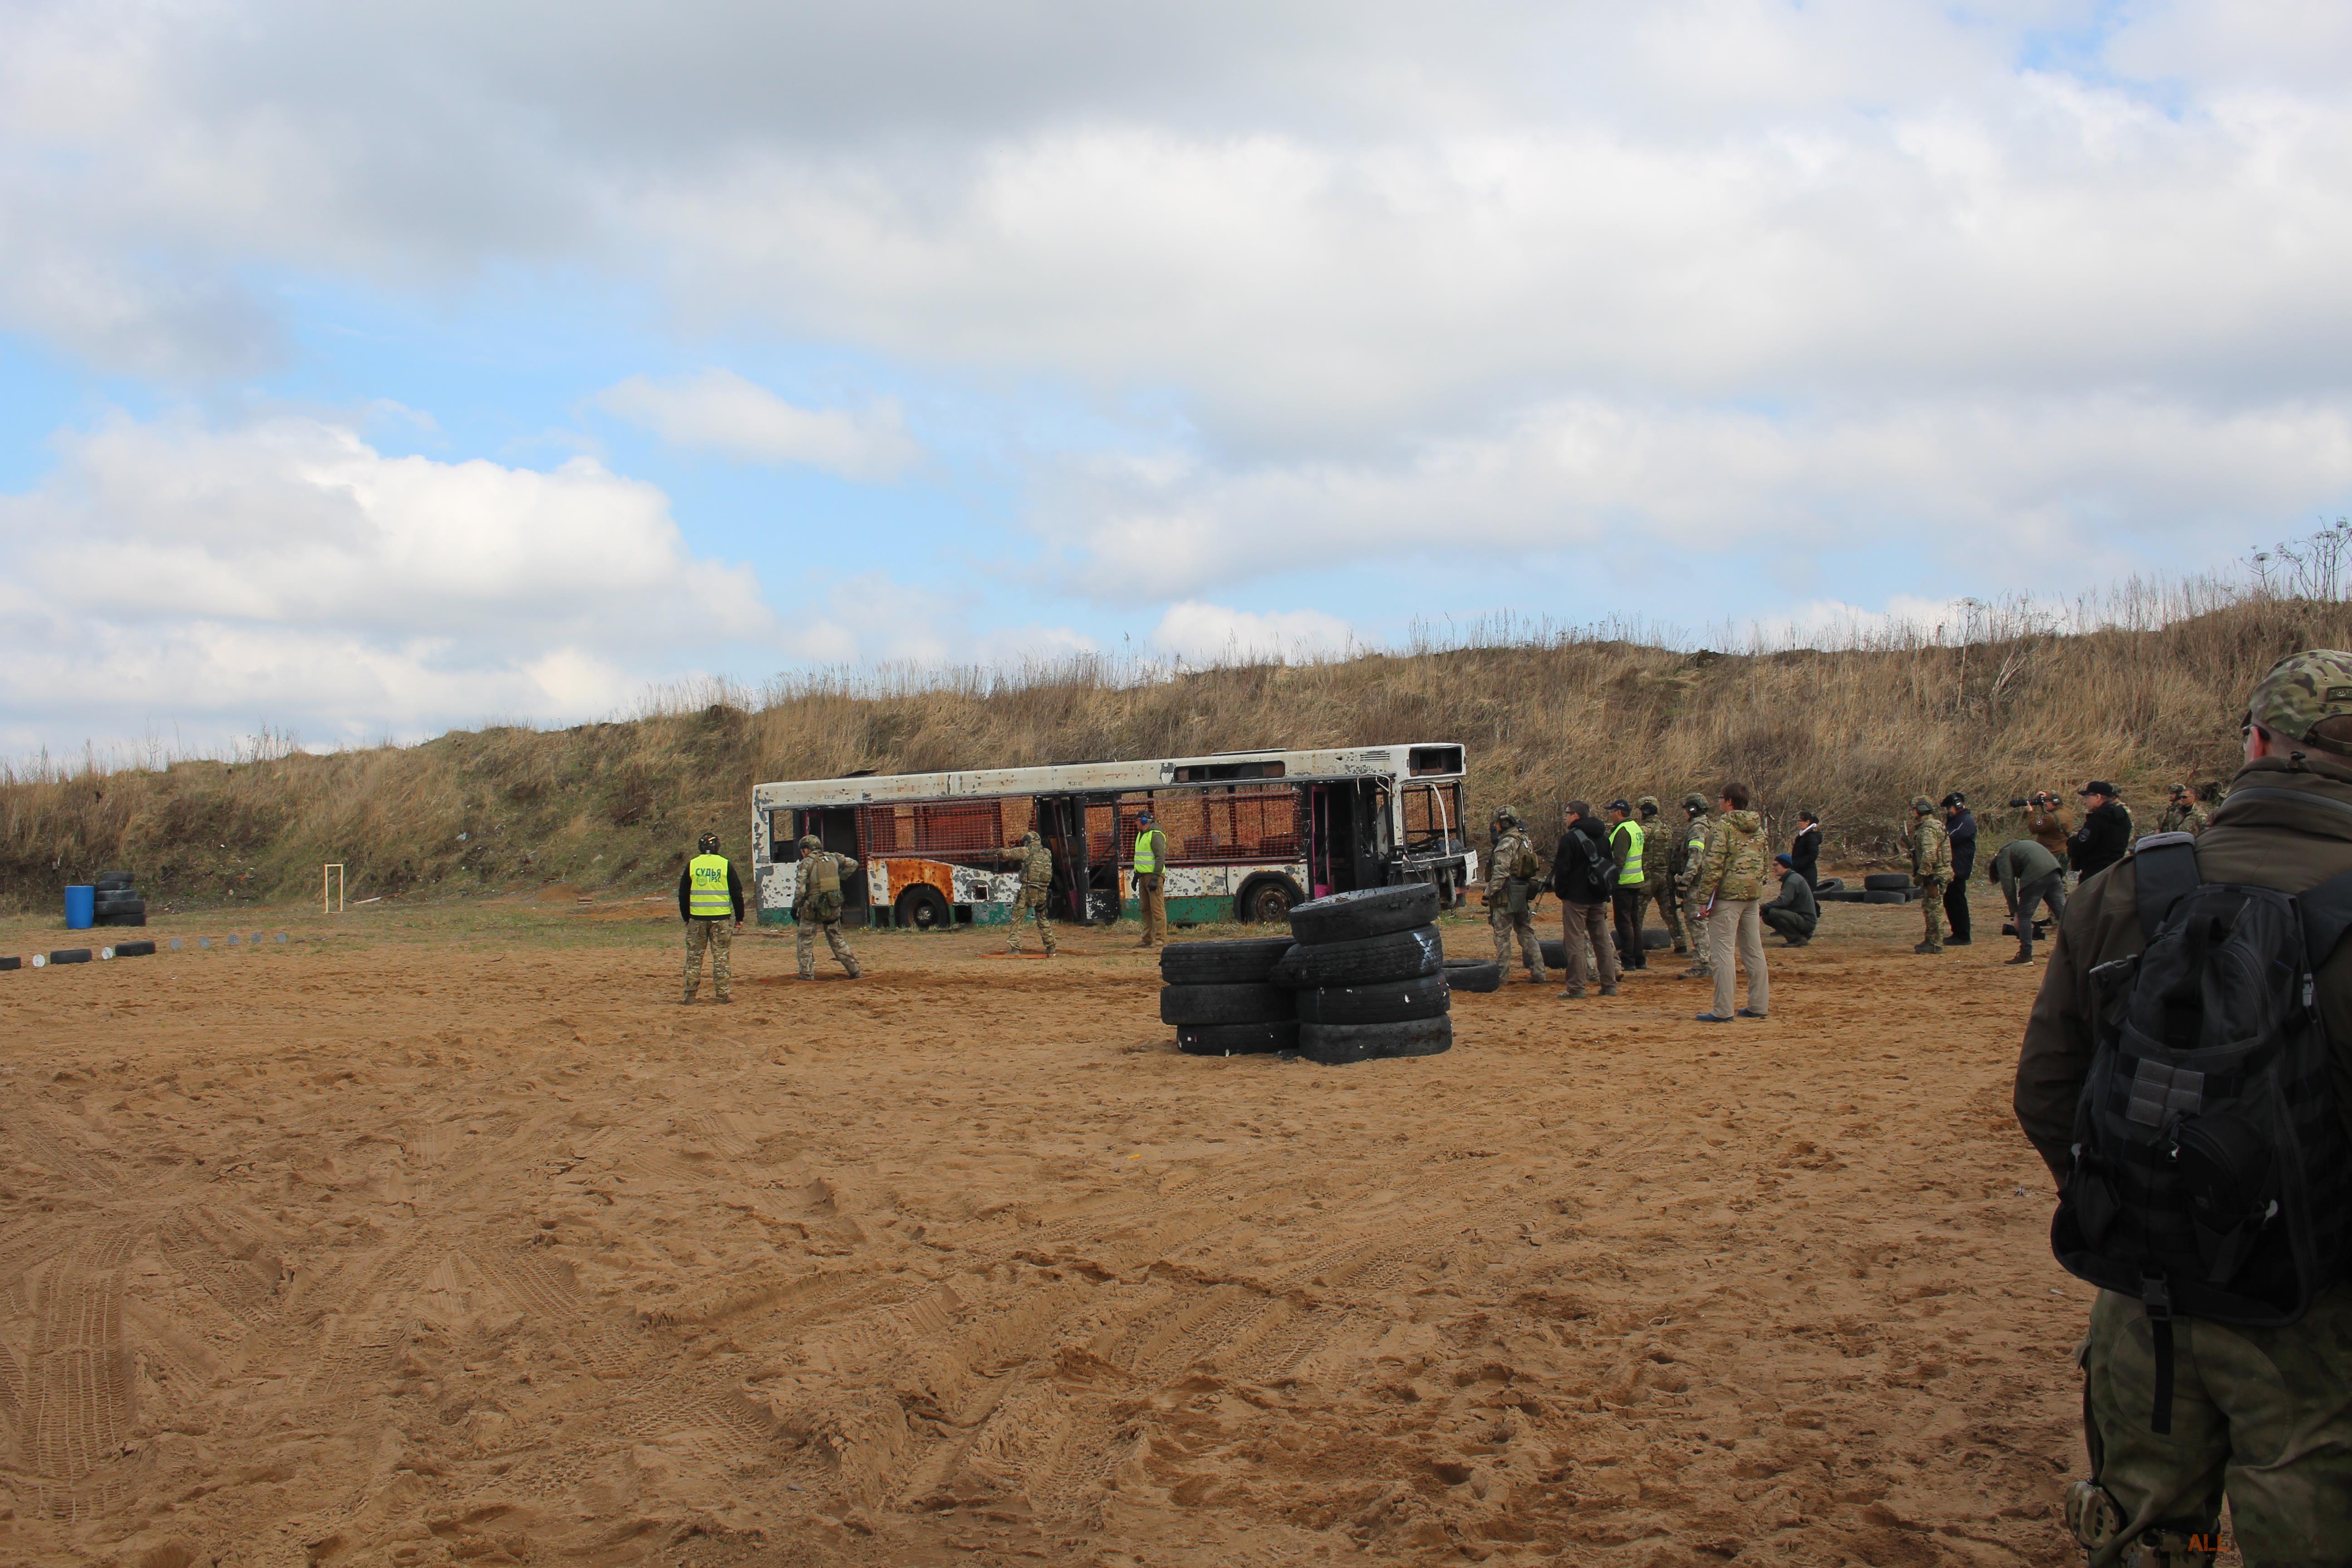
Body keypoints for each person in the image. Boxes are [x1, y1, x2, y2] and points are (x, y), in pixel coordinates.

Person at [2014, 650, 2352, 1563]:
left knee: (2143, 1531)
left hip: (2147, 1291)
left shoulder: (2131, 887)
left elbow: (2048, 1092)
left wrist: (2135, 1209)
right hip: (2318, 1312)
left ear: (2253, 743)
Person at [1695, 783, 1768, 1022]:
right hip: (1752, 895)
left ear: (1728, 801)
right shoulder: (1759, 829)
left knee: (1722, 954)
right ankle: (1758, 1005)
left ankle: (1723, 1009)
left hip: (1728, 897)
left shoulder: (1722, 828)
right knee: (1754, 951)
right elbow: (1764, 865)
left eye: (1720, 798)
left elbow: (1712, 865)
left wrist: (1703, 899)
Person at [1552, 800, 1618, 999]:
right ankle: (1610, 985)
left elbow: (1562, 871)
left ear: (1576, 816)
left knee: (1575, 943)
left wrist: (1561, 893)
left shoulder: (1569, 839)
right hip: (1599, 897)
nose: (1565, 817)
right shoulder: (1604, 838)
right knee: (1602, 941)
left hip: (1576, 899)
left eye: (1567, 813)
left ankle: (1576, 987)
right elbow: (1609, 865)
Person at [678, 830, 747, 1003]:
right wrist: (740, 917)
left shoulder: (693, 864)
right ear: (717, 846)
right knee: (721, 957)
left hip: (697, 918)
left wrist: (686, 917)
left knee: (694, 957)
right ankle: (722, 994)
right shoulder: (725, 864)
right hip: (721, 919)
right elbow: (737, 893)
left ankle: (691, 995)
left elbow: (683, 894)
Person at [1487, 805, 1549, 984]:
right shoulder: (1525, 839)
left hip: (1506, 894)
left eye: (1498, 823)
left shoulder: (1506, 843)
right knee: (1526, 932)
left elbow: (1501, 873)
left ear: (1504, 823)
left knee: (1502, 936)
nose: (1496, 826)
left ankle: (1502, 977)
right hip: (1522, 892)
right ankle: (1539, 973)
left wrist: (1488, 893)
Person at [790, 832, 862, 980]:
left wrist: (795, 907)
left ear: (807, 849)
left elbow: (801, 890)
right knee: (837, 939)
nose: (803, 853)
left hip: (813, 909)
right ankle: (855, 971)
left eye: (803, 850)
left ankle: (807, 975)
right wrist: (840, 878)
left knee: (805, 941)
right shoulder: (834, 858)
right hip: (833, 907)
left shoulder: (806, 864)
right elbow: (853, 864)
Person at [1986, 833, 2064, 965]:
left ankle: (2025, 955)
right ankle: (2080, 948)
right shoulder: (2020, 846)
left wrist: (2015, 912)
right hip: (2054, 870)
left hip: (2036, 874)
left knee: (2024, 916)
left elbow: (2008, 884)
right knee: (2064, 915)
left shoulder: (2003, 855)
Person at [1637, 796, 1685, 956]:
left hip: (1647, 878)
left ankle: (1633, 945)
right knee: (1669, 912)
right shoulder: (1667, 830)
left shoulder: (1642, 831)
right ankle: (1680, 942)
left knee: (1637, 914)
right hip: (1665, 877)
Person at [1674, 793, 1715, 981]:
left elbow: (1696, 856)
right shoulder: (1707, 826)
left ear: (1693, 809)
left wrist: (1685, 880)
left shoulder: (1698, 829)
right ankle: (1707, 962)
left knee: (1697, 922)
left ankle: (1702, 965)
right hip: (1703, 882)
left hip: (1696, 884)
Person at [1606, 799, 1649, 972]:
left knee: (1623, 922)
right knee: (1634, 921)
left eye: (1612, 811)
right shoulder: (1636, 828)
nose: (1610, 814)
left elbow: (1619, 860)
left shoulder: (1623, 831)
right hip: (1636, 880)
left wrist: (1611, 882)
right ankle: (1640, 959)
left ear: (1618, 812)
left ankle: (1629, 959)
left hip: (1624, 882)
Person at [1907, 795, 1952, 954]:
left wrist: (1921, 875)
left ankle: (1935, 943)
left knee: (1934, 909)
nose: (1913, 813)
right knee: (1930, 907)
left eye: (1914, 810)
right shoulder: (1932, 825)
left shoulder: (1928, 829)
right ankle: (1931, 939)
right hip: (1937, 872)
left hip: (1935, 875)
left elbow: (1929, 855)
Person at [2070, 781, 2133, 882]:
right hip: (2117, 872)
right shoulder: (2122, 815)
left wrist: (2072, 842)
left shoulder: (2098, 819)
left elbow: (2081, 845)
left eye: (2087, 798)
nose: (2085, 802)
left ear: (2098, 797)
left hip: (2095, 875)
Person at [1941, 792, 1977, 946]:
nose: (1947, 811)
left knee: (1957, 901)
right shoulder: (1957, 820)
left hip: (1959, 866)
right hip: (1954, 866)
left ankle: (1963, 935)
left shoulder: (1965, 821)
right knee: (1950, 900)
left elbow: (1949, 838)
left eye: (1949, 808)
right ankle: (1958, 933)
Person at [1759, 853, 1817, 946]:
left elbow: (1784, 901)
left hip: (1807, 921)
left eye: (1776, 865)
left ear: (1784, 865)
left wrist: (1762, 907)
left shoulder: (1792, 880)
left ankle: (1797, 939)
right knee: (1767, 914)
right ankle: (1799, 935)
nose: (1774, 868)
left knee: (1774, 912)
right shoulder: (1791, 878)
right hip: (1799, 918)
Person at [1132, 808, 1170, 948]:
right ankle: (1147, 938)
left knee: (1157, 909)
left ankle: (1161, 939)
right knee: (1146, 909)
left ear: (1143, 821)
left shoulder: (1155, 835)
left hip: (1153, 877)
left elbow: (1160, 858)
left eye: (1137, 821)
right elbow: (1141, 858)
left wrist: (1155, 878)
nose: (1135, 823)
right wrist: (1136, 876)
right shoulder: (1142, 834)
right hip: (1143, 877)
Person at [2026, 791, 2075, 864]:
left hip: (2051, 856)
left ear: (2055, 802)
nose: (2044, 803)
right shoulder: (2066, 811)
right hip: (2061, 854)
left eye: (2047, 801)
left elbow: (2033, 828)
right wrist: (2045, 794)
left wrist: (2031, 812)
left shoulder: (2052, 818)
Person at [1789, 809, 1823, 889]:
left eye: (1800, 821)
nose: (1798, 823)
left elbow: (1813, 855)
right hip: (1800, 871)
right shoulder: (1803, 835)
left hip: (1807, 873)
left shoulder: (1811, 837)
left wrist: (1798, 864)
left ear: (1807, 822)